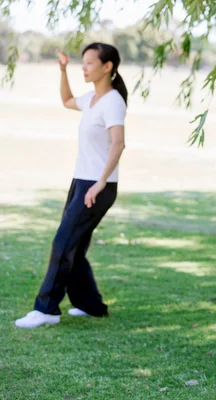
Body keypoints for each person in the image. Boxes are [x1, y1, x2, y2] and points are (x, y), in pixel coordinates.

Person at [15, 43, 128, 329]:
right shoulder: (92, 98)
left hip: (98, 185)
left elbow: (119, 143)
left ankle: (47, 309)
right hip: (81, 180)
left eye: (90, 63)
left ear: (108, 67)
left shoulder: (113, 101)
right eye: (83, 62)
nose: (84, 67)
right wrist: (63, 71)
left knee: (63, 242)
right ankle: (91, 306)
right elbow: (67, 100)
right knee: (73, 246)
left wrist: (100, 183)